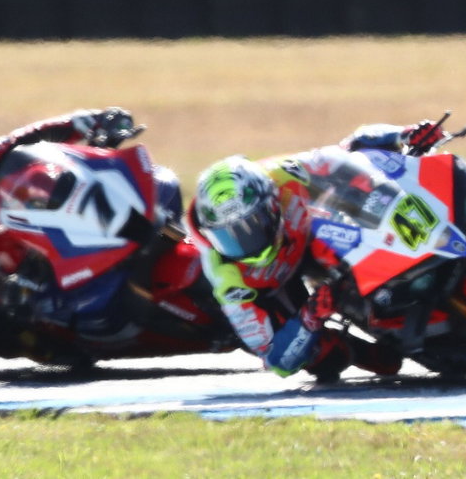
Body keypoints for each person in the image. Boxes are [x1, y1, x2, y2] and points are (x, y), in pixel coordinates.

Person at [184, 121, 439, 381]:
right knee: (329, 358)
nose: (243, 243)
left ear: (271, 205)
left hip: (308, 235)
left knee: (360, 188)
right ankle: (368, 345)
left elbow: (347, 150)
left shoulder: (281, 173)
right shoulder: (228, 280)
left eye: (252, 226)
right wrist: (310, 315)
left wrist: (403, 135)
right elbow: (275, 360)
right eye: (228, 237)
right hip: (276, 287)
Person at [0, 107, 146, 380]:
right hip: (0, 300)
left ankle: (126, 231)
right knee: (25, 340)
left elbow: (12, 145)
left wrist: (91, 122)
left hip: (15, 233)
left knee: (29, 182)